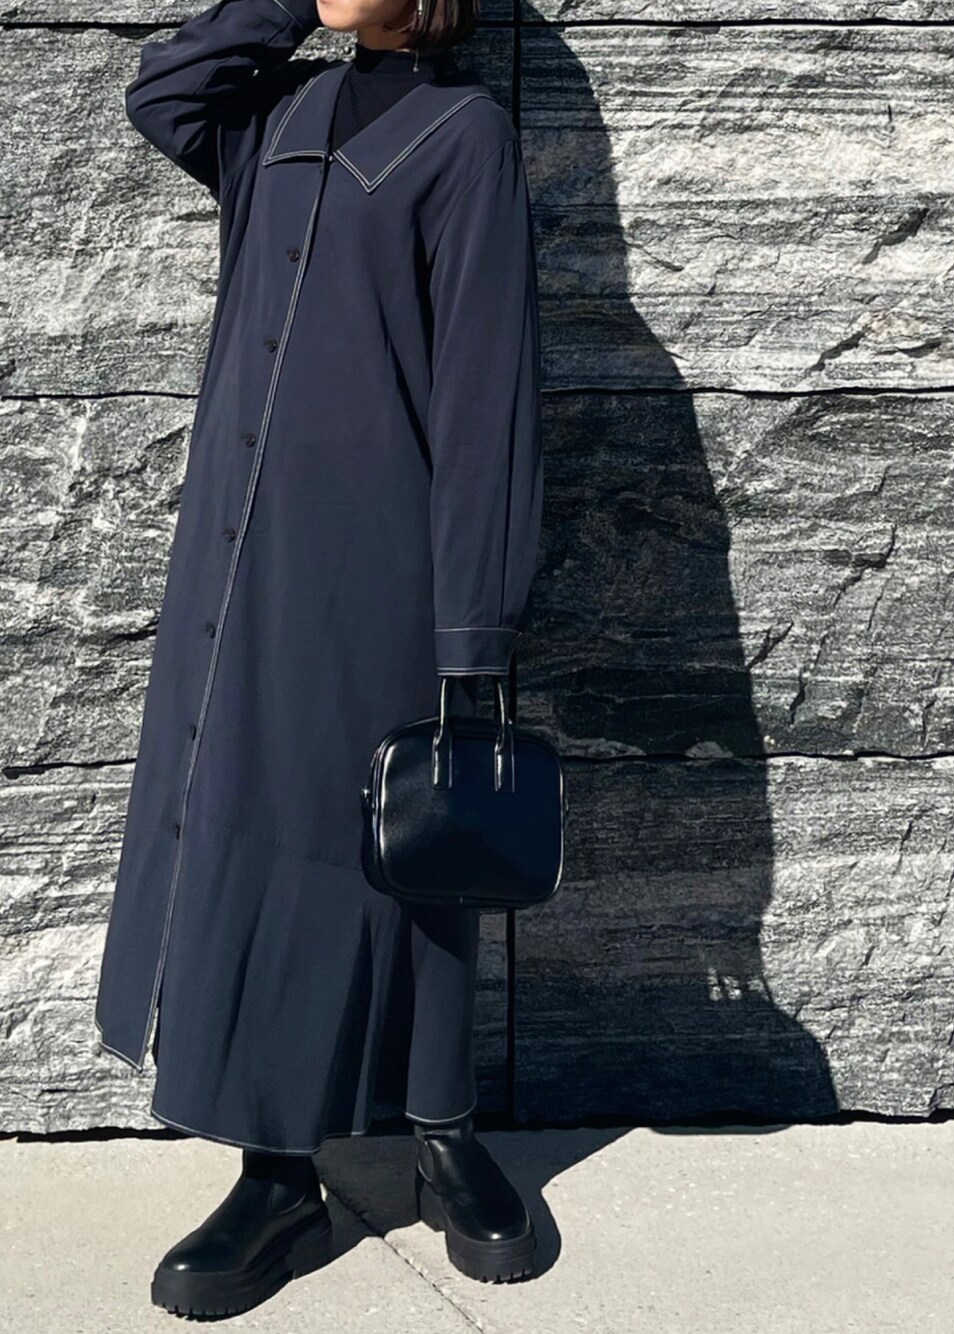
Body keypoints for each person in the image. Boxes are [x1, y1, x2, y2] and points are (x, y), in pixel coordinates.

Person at [93, 0, 545, 1315]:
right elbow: (166, 92)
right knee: (251, 837)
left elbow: (487, 394)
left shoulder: (465, 136)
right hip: (238, 559)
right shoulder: (279, 115)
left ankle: (444, 1130)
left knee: (419, 840)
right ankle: (277, 1168)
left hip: (378, 573)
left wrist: (472, 625)